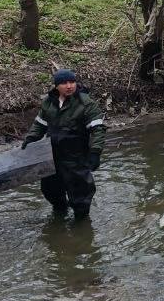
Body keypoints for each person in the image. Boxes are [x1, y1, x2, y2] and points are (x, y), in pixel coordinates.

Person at [22, 69, 106, 218]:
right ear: (56, 86)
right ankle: (60, 214)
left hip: (76, 156)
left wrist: (95, 152)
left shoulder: (86, 103)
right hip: (52, 155)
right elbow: (39, 124)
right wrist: (30, 139)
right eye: (64, 83)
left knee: (81, 195)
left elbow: (98, 129)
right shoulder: (49, 102)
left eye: (72, 82)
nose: (69, 86)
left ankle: (81, 223)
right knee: (50, 191)